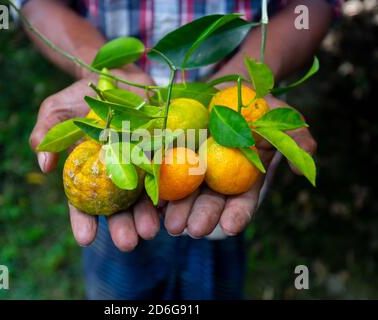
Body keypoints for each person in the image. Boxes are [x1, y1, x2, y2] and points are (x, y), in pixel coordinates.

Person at [19, 0, 338, 299]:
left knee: (213, 283)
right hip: (128, 180)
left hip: (220, 172)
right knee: (119, 289)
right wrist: (98, 69)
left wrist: (242, 80)